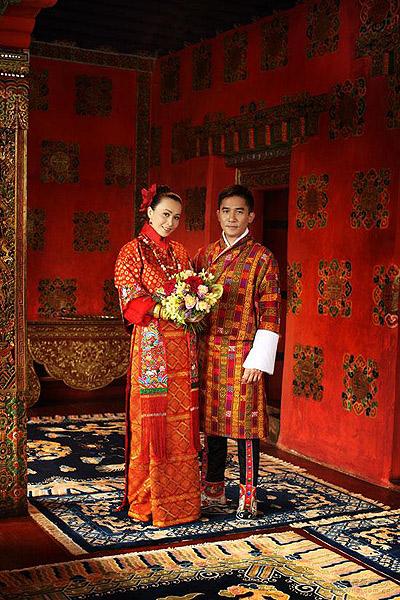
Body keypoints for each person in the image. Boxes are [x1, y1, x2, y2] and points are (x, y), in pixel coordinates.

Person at [114, 184, 201, 527]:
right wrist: (165, 309)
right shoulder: (132, 251)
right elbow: (129, 297)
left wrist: (194, 305)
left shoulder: (180, 251)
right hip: (152, 344)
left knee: (180, 422)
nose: (170, 222)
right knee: (151, 424)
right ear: (149, 212)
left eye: (176, 217)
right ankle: (147, 502)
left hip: (181, 346)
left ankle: (182, 504)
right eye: (165, 214)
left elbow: (192, 289)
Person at [194, 184, 280, 520]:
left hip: (243, 353)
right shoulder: (205, 256)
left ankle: (248, 495)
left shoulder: (262, 258)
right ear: (218, 215)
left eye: (239, 211)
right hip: (208, 352)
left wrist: (259, 358)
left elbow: (271, 311)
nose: (232, 218)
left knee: (245, 426)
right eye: (227, 211)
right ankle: (213, 488)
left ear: (251, 216)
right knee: (211, 423)